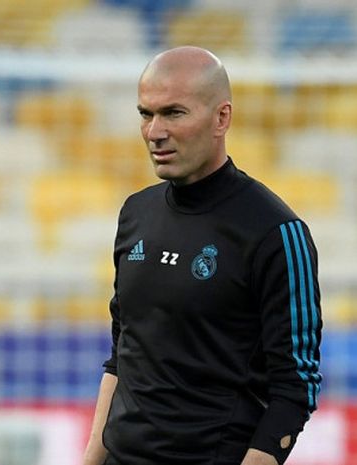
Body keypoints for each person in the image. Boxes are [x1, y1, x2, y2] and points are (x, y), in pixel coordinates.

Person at [82, 46, 322, 465]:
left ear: (221, 118)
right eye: (145, 113)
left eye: (174, 113)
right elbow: (122, 352)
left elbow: (295, 387)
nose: (154, 131)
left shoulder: (276, 232)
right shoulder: (136, 213)